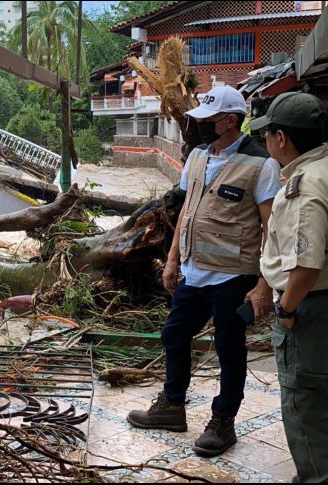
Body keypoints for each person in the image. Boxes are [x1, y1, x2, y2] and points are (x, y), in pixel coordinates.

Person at [127, 86, 281, 457]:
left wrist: (263, 286)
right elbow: (186, 211)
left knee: (230, 350)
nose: (200, 127)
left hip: (234, 276)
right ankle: (172, 406)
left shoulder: (262, 165)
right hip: (193, 274)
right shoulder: (197, 157)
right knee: (173, 335)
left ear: (231, 121)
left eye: (208, 121)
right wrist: (174, 258)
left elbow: (272, 229)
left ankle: (223, 421)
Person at [252, 91, 328, 483]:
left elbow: (306, 264)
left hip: (311, 308)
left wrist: (287, 310)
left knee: (305, 403)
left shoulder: (305, 185)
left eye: (267, 135)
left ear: (281, 138)